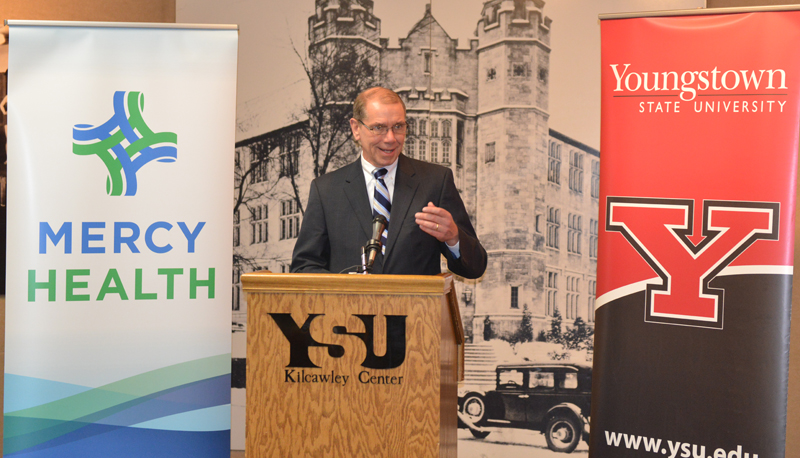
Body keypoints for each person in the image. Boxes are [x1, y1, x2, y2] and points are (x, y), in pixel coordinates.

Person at [290, 87, 486, 279]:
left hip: (417, 311)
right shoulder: (325, 190)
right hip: (348, 310)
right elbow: (303, 267)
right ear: (356, 129)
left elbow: (475, 267)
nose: (391, 138)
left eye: (398, 127)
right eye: (379, 128)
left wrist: (454, 237)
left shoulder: (436, 181)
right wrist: (345, 288)